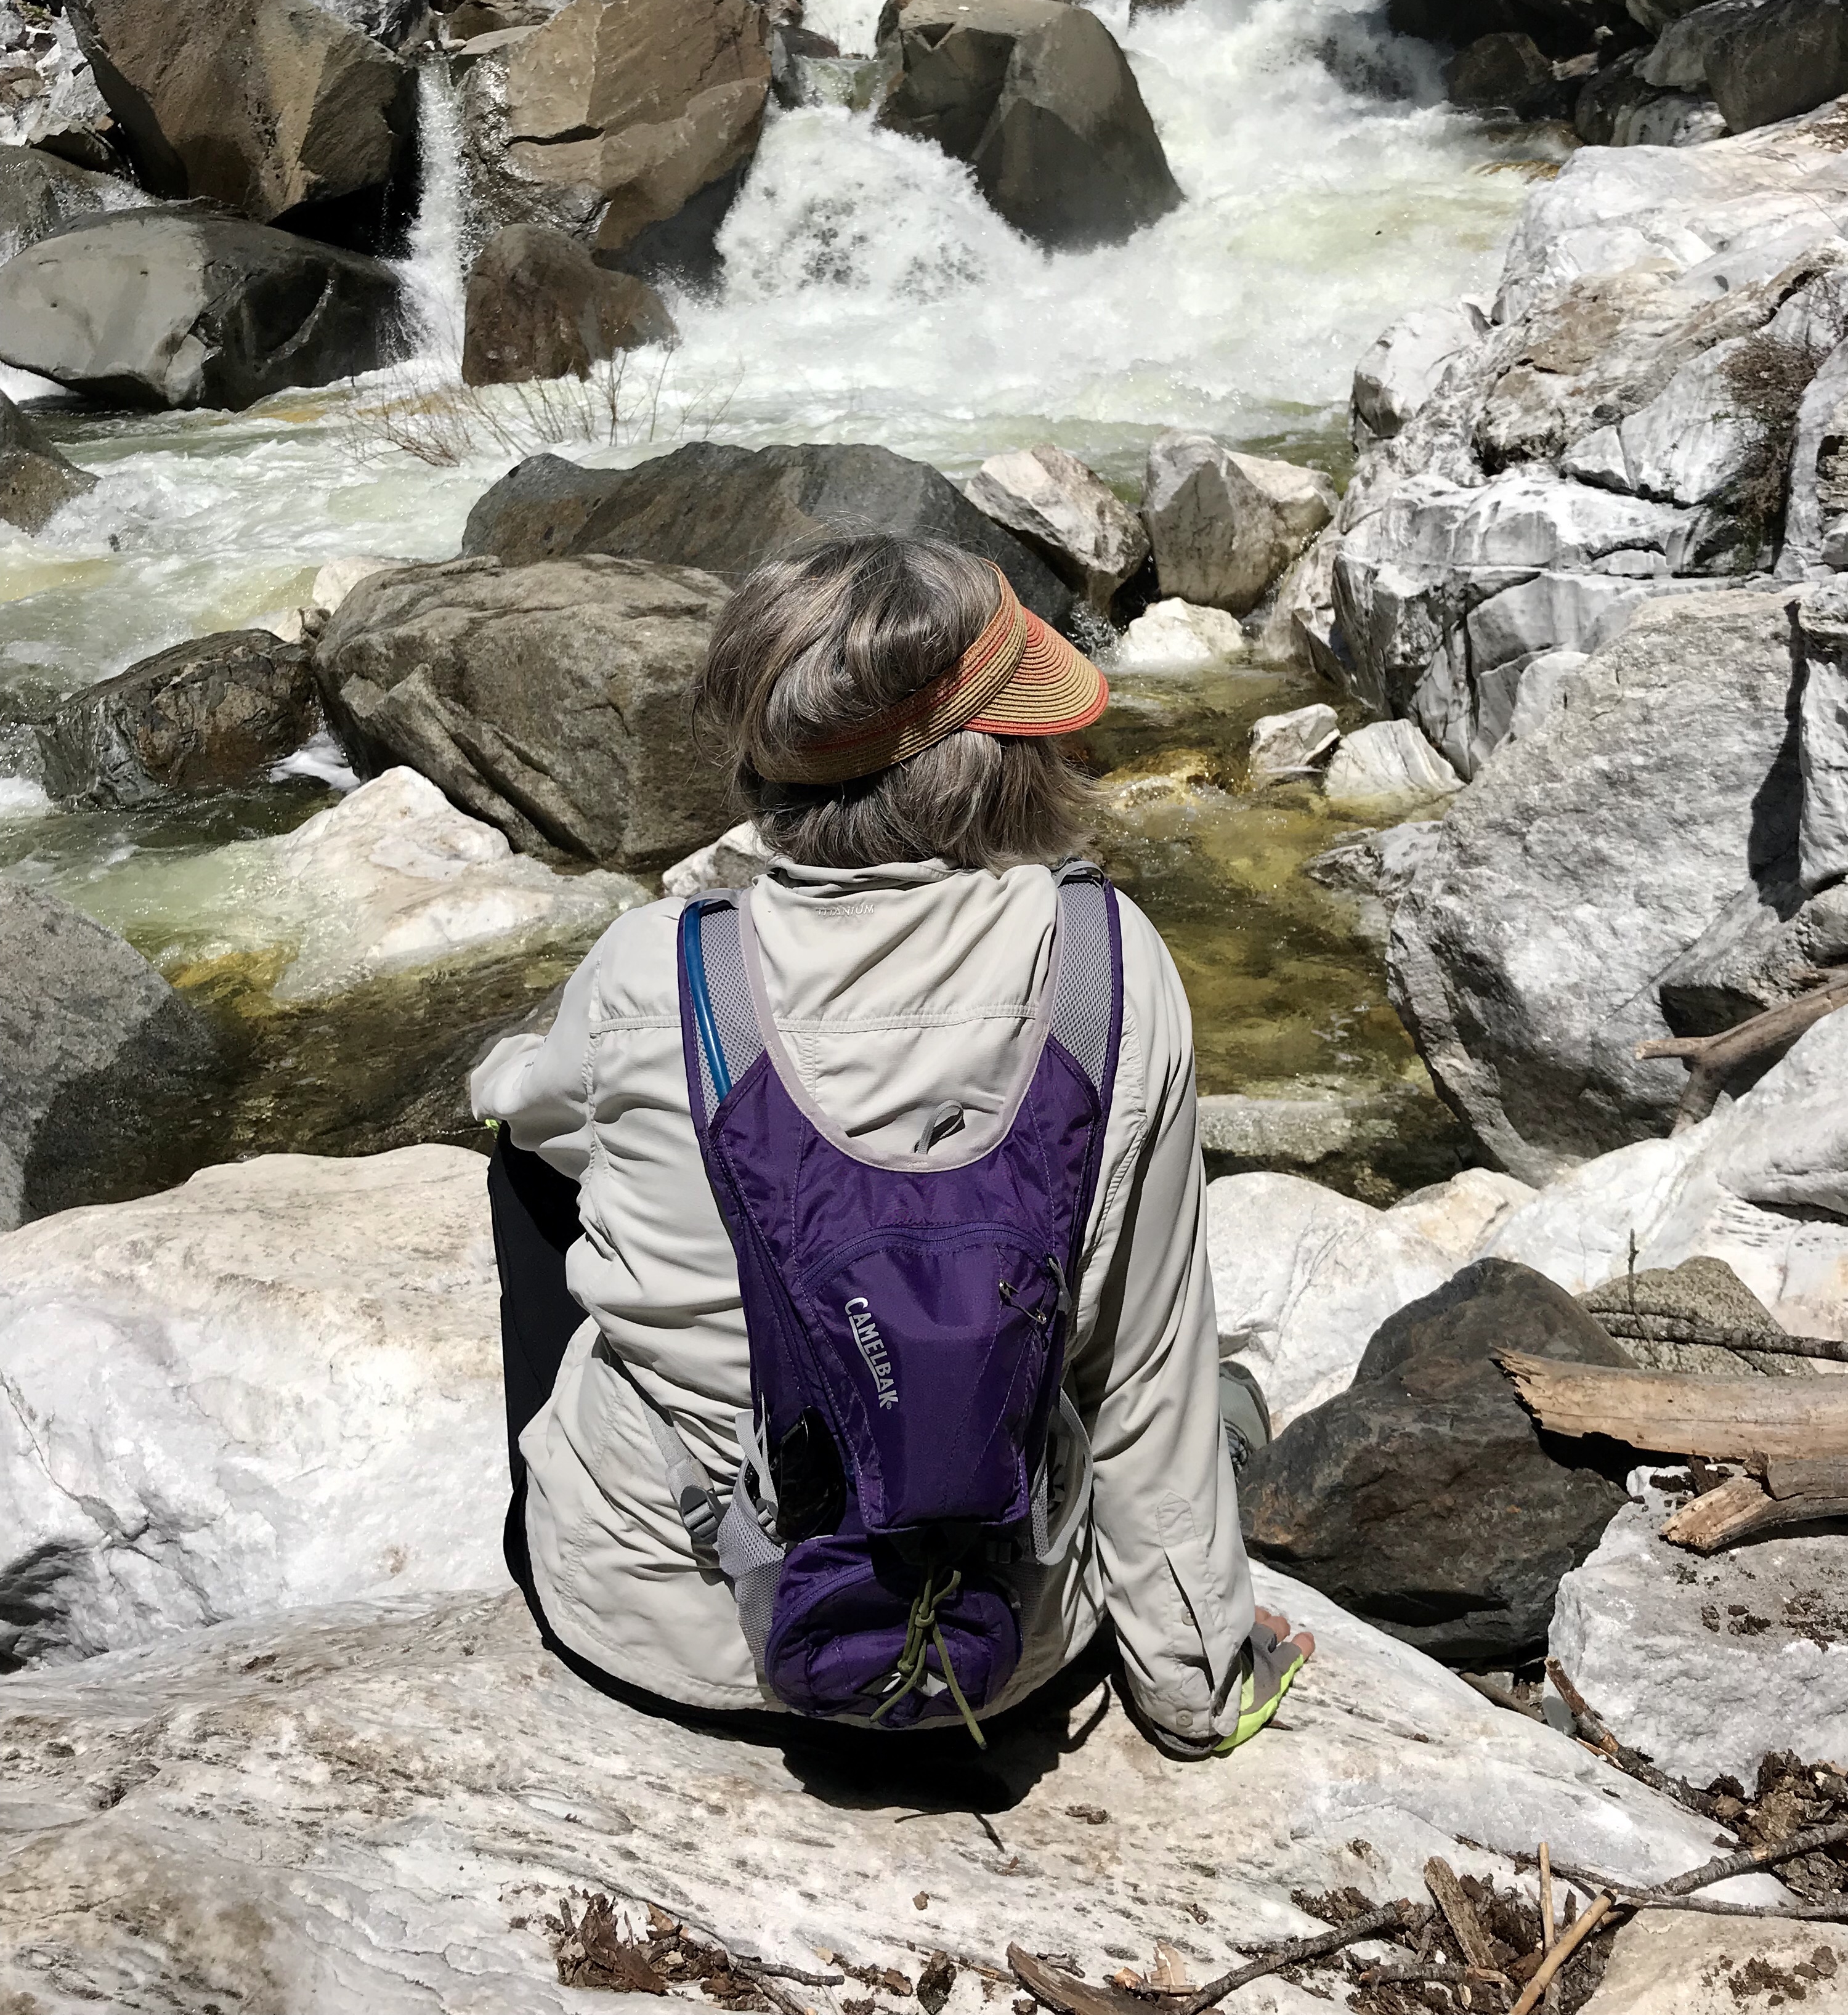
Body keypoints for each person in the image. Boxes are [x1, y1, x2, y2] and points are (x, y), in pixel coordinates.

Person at [472, 530, 1311, 1751]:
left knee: (530, 1162)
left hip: (660, 1634)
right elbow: (1144, 1369)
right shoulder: (1106, 964)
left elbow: (535, 1114)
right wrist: (1199, 1689)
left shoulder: (664, 966)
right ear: (1003, 756)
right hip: (1000, 1649)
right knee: (1165, 1338)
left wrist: (519, 1075)